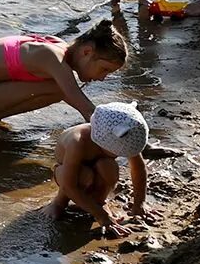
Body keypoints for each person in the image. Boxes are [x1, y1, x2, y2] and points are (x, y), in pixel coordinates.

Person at [0, 22, 127, 134]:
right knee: (60, 89)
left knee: (59, 87)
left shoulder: (60, 48)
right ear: (87, 52)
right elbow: (84, 107)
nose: (103, 78)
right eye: (104, 69)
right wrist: (118, 132)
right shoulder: (52, 57)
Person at [50, 102, 148, 239]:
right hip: (68, 173)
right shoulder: (77, 141)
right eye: (117, 151)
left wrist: (139, 203)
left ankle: (99, 201)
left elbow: (138, 168)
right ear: (102, 141)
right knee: (83, 175)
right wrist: (101, 216)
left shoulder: (126, 135)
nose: (120, 153)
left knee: (109, 167)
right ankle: (59, 202)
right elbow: (69, 185)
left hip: (95, 167)